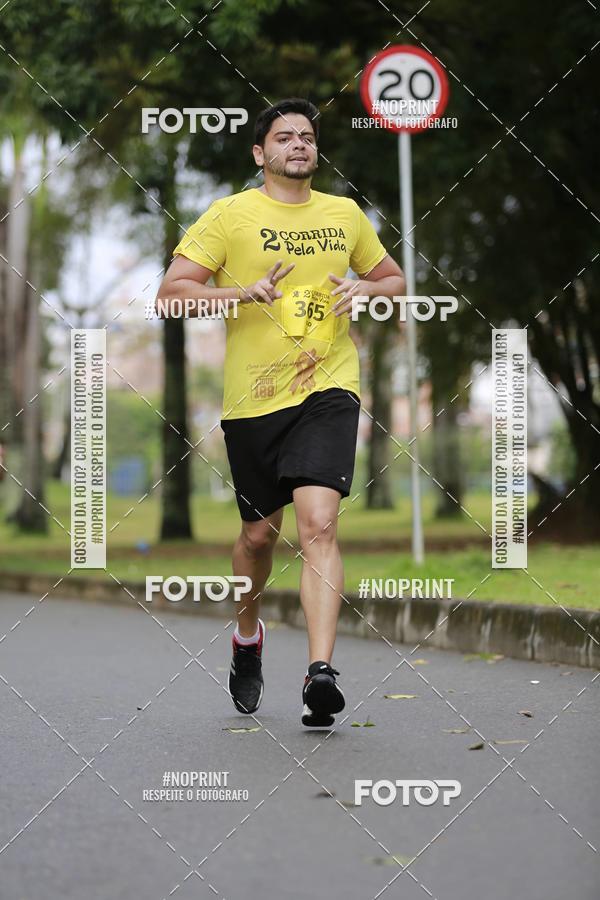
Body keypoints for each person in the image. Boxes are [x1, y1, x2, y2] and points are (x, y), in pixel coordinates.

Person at [156, 98, 405, 726]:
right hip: (254, 400)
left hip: (330, 386)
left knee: (318, 525)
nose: (299, 144)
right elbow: (171, 295)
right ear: (259, 153)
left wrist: (366, 287)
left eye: (308, 136)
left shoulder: (345, 215)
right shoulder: (229, 215)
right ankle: (247, 635)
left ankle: (320, 672)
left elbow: (394, 279)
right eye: (284, 136)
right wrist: (244, 291)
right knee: (259, 534)